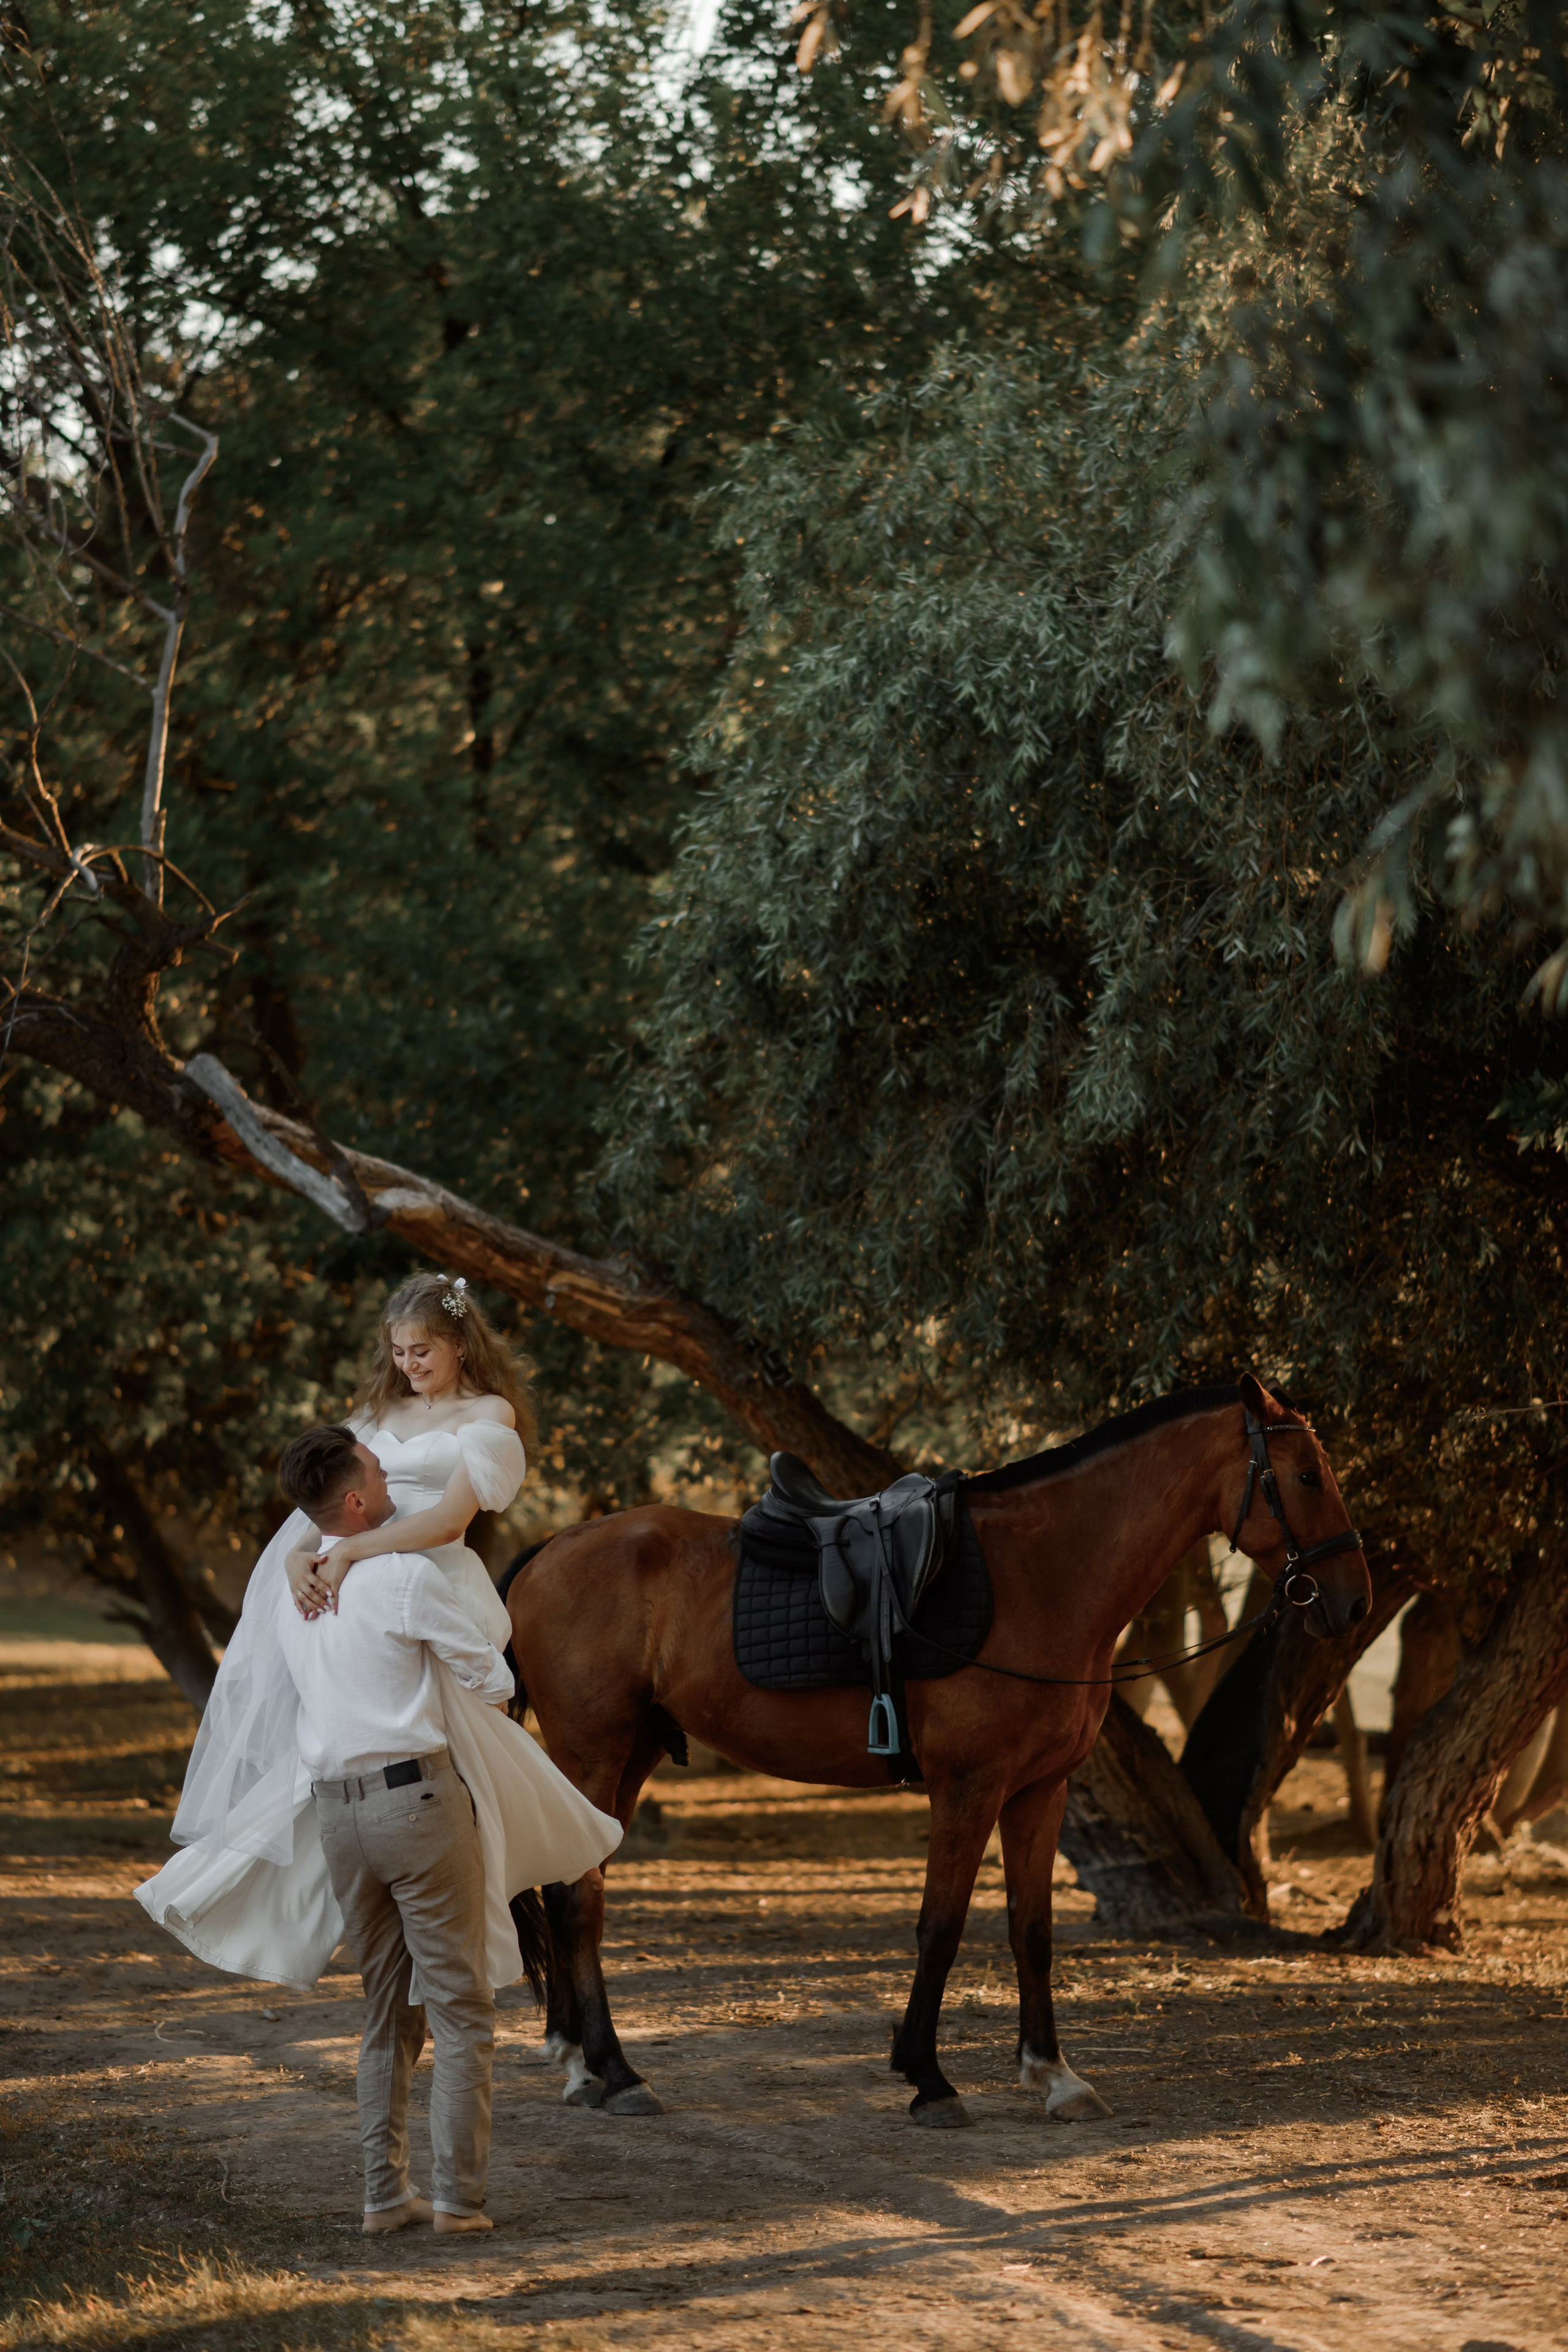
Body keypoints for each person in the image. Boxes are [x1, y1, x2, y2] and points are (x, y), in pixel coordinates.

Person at [137, 1272, 619, 1993]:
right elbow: (330, 1499)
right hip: (365, 1599)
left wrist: (356, 1550)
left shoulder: (489, 1412)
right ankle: (251, 1903)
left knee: (462, 1771)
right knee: (344, 1754)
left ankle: (474, 1930)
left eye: (422, 1349)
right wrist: (306, 1554)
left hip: (441, 1590)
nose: (409, 1365)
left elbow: (451, 1520)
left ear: (458, 1343)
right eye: (398, 1352)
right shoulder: (378, 1410)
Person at [276, 1423, 507, 2237]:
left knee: (384, 2011)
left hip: (338, 1815)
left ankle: (383, 2196)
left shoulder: (292, 1590)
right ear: (355, 1498)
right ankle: (459, 2202)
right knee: (460, 2007)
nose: (389, 1475)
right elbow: (492, 1673)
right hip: (416, 1807)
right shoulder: (403, 1576)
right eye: (378, 1468)